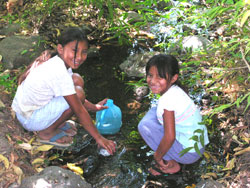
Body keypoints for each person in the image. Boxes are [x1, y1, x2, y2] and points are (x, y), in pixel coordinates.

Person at [11, 27, 116, 155]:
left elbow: (75, 97)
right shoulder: (58, 71)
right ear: (60, 49)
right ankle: (46, 132)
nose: (79, 57)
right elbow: (78, 107)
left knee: (76, 80)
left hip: (26, 111)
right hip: (30, 119)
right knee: (78, 93)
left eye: (84, 52)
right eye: (74, 51)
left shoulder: (59, 63)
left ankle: (55, 123)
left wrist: (94, 107)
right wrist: (99, 138)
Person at [138, 54, 209, 176]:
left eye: (160, 77)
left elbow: (170, 137)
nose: (153, 81)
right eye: (150, 75)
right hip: (197, 144)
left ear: (173, 78)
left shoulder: (167, 102)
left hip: (189, 153)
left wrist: (158, 157)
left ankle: (169, 162)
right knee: (154, 111)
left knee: (144, 126)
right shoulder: (176, 90)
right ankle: (170, 155)